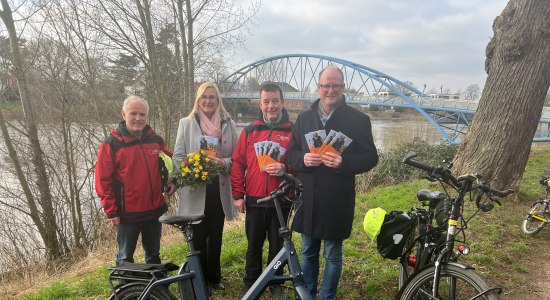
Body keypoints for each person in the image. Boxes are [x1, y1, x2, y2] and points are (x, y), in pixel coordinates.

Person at [286, 66, 379, 300]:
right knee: (307, 252)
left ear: (343, 88)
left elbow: (371, 157)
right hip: (308, 197)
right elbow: (291, 153)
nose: (330, 90)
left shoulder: (358, 120)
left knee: (332, 254)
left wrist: (343, 162)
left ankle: (326, 297)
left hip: (337, 198)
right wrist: (303, 159)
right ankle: (306, 296)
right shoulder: (304, 118)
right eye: (326, 86)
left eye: (335, 85)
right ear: (318, 88)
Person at [95, 95, 176, 266]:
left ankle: (157, 290)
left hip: (153, 211)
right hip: (127, 214)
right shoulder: (112, 145)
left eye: (142, 114)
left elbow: (167, 165)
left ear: (147, 116)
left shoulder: (156, 141)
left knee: (153, 255)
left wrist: (172, 181)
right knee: (125, 258)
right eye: (133, 114)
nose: (138, 118)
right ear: (124, 115)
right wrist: (111, 211)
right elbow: (103, 181)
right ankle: (126, 291)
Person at [172, 82, 238, 291]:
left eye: (212, 97)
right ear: (198, 101)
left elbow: (236, 158)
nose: (208, 101)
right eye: (204, 97)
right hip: (195, 188)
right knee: (198, 237)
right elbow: (178, 156)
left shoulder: (229, 123)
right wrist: (191, 168)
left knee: (215, 236)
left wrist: (224, 163)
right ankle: (198, 279)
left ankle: (214, 277)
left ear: (218, 100)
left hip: (218, 189)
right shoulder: (187, 123)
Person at [231, 82, 293, 298]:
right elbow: (238, 164)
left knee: (278, 245)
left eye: (275, 101)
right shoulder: (249, 131)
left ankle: (275, 281)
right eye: (266, 101)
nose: (271, 106)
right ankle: (251, 283)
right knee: (253, 244)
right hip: (255, 199)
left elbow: (298, 165)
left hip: (281, 198)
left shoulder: (293, 131)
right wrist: (238, 195)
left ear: (282, 102)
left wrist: (286, 169)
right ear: (260, 103)